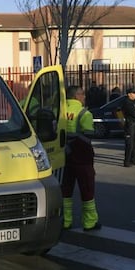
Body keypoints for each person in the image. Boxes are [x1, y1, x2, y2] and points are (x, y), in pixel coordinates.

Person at [61, 85, 101, 231]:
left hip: (64, 156)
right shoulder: (85, 113)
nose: (84, 97)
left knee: (65, 190)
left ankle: (66, 221)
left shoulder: (59, 110)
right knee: (87, 189)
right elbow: (89, 134)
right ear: (76, 96)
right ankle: (89, 222)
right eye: (82, 94)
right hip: (82, 157)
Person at [122, 86, 135, 167]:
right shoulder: (127, 102)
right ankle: (127, 161)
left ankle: (134, 159)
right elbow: (134, 114)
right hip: (130, 125)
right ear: (129, 94)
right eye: (134, 93)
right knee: (129, 144)